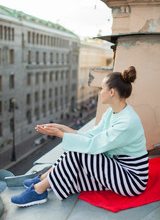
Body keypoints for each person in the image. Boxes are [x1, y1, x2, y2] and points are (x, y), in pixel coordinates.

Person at [11, 66, 149, 207]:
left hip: (131, 179)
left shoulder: (127, 122)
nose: (100, 92)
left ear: (112, 92)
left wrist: (60, 134)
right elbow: (91, 135)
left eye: (102, 89)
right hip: (117, 168)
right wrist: (62, 128)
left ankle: (39, 190)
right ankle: (43, 179)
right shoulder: (112, 112)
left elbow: (93, 145)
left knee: (79, 153)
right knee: (73, 172)